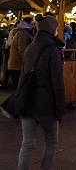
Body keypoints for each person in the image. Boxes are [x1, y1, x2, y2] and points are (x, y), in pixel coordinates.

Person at [17, 14, 65, 170]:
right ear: (52, 30)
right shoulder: (53, 49)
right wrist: (60, 107)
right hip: (46, 103)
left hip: (27, 99)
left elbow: (23, 76)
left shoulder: (31, 46)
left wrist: (19, 98)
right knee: (51, 140)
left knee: (27, 143)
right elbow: (57, 81)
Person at [8, 17, 35, 89]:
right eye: (32, 24)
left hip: (16, 65)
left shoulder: (22, 32)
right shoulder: (23, 34)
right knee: (20, 89)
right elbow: (22, 49)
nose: (33, 26)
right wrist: (28, 62)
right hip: (18, 65)